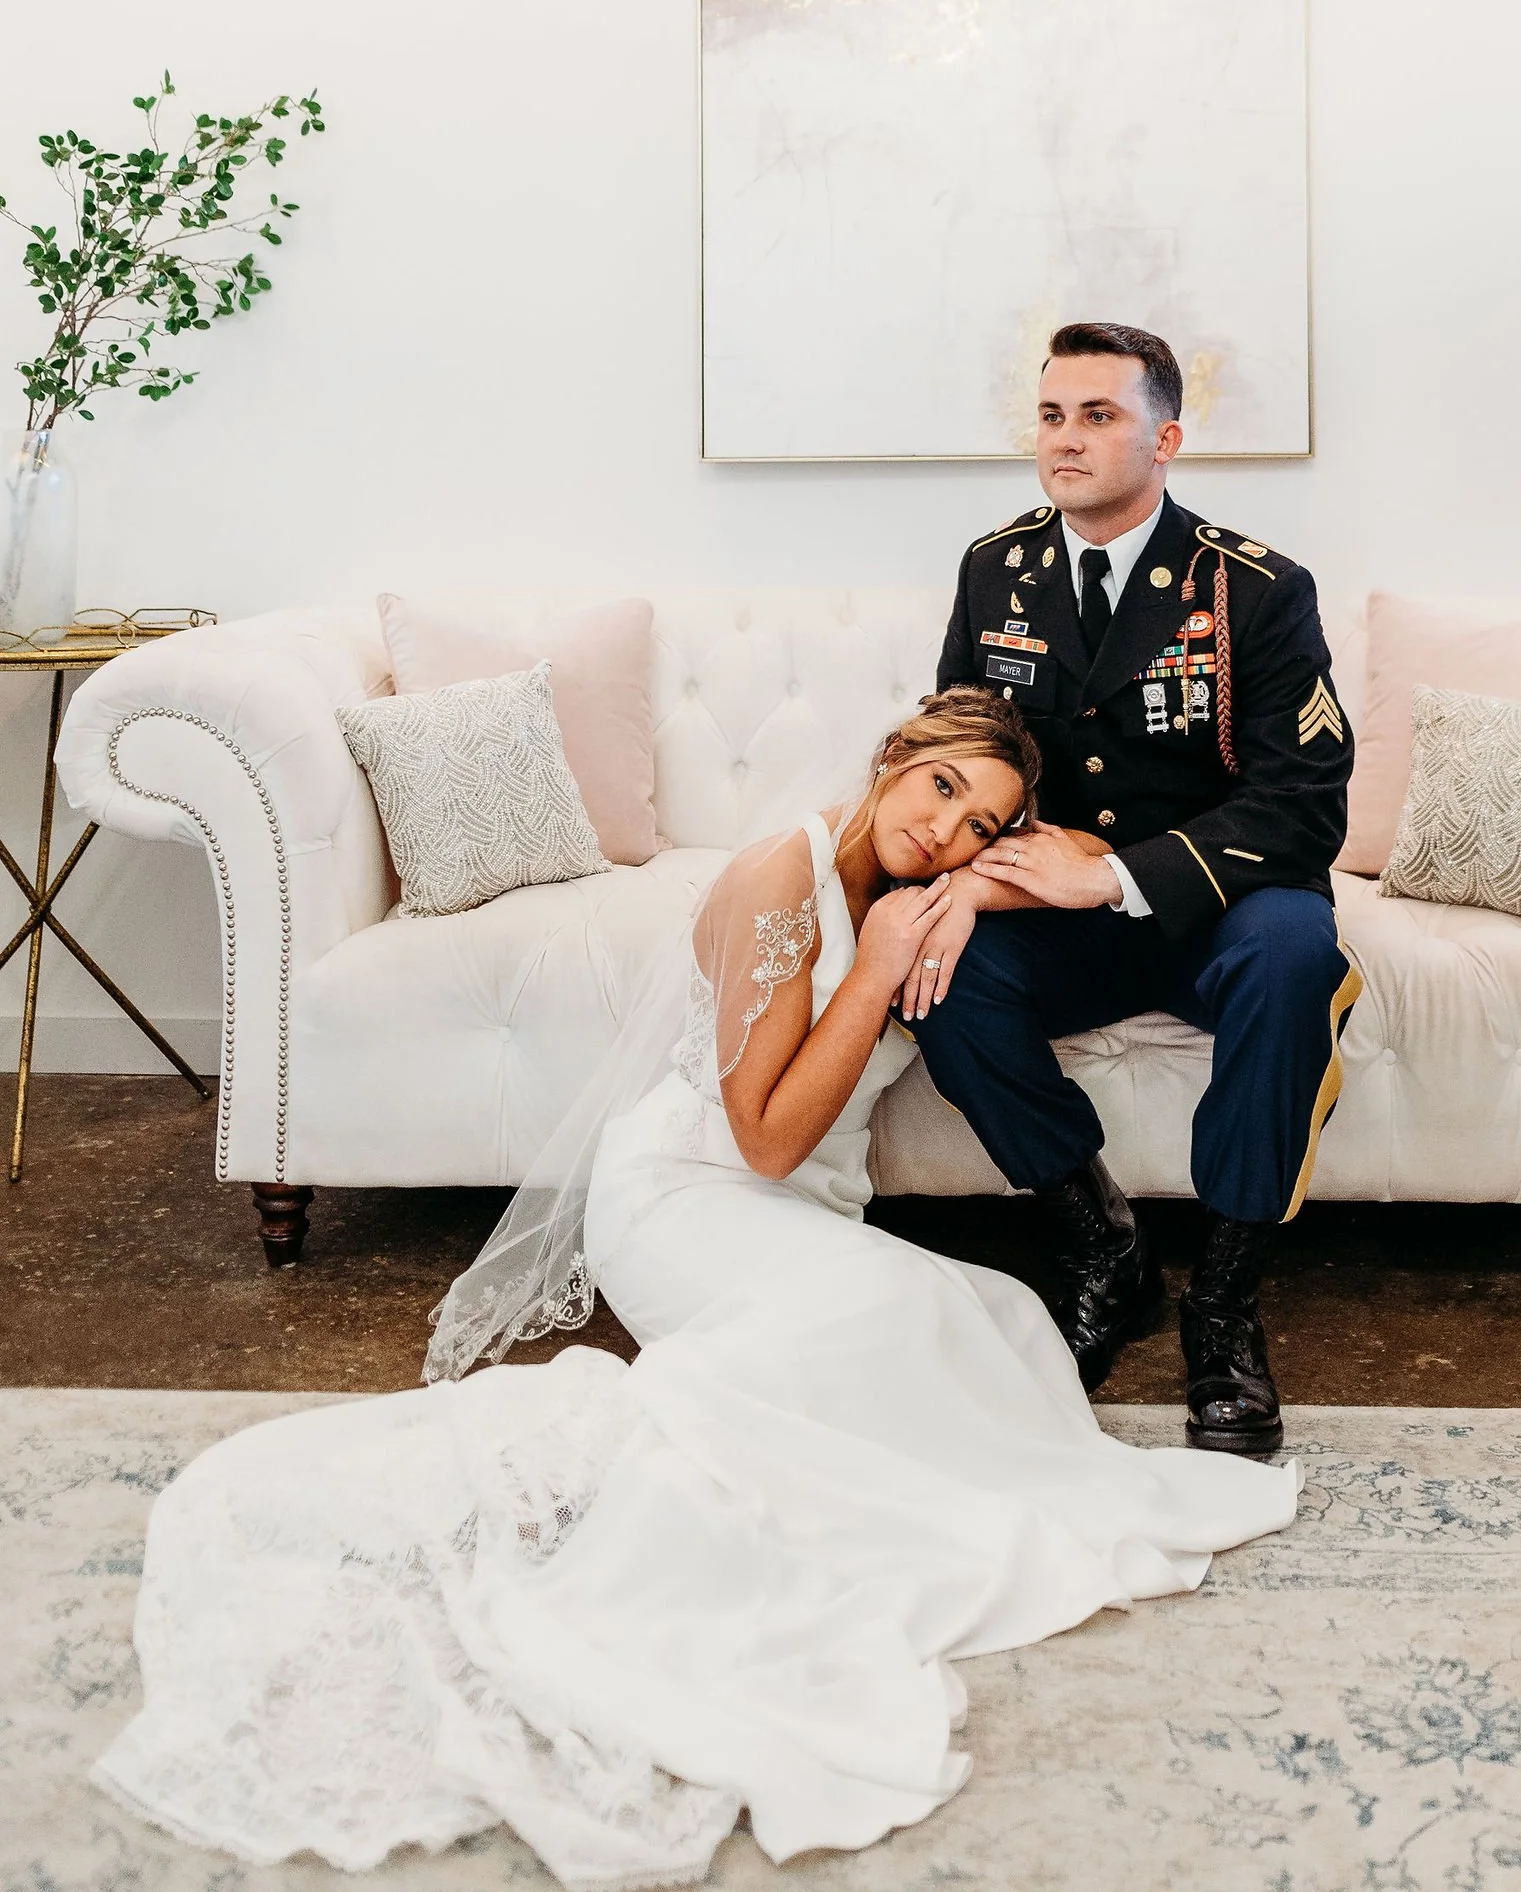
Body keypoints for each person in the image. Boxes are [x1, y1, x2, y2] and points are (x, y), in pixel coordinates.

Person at [91, 687, 1293, 1889]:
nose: (948, 833)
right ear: (892, 758)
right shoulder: (782, 876)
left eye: (982, 824)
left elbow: (1085, 851)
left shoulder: (939, 873)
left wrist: (986, 881)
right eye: (940, 790)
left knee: (996, 1321)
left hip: (800, 1214)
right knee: (890, 1322)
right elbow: (763, 1137)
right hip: (689, 1196)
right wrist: (874, 968)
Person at [920, 320, 1360, 1460]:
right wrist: (982, 872)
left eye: (1097, 414)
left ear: (1163, 437)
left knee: (1293, 955)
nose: (1065, 439)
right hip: (1066, 916)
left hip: (1220, 907)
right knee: (934, 959)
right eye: (1051, 413)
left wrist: (1112, 872)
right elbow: (960, 749)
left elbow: (1302, 805)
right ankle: (1103, 1246)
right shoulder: (994, 569)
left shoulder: (1255, 589)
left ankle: (1221, 1309)